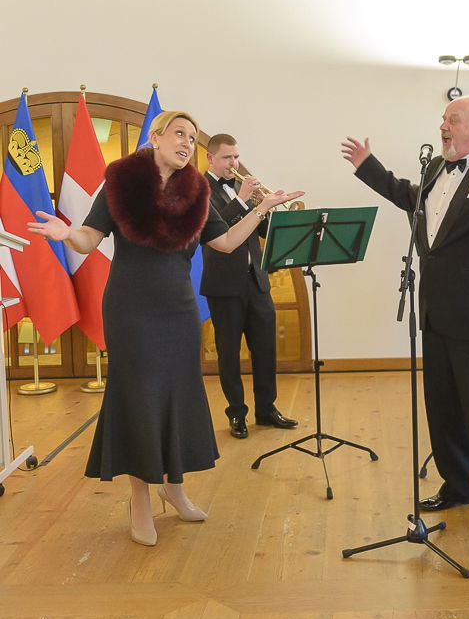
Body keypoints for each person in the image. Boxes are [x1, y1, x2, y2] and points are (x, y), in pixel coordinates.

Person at [27, 111, 302, 547]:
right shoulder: (120, 182)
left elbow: (226, 242)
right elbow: (89, 238)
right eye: (179, 133)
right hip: (131, 308)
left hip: (177, 309)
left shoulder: (198, 191)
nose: (186, 142)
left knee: (178, 394)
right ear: (155, 137)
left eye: (192, 138)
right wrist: (65, 234)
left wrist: (260, 207)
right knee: (140, 399)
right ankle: (139, 500)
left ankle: (174, 488)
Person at [341, 96, 469, 540]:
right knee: (443, 407)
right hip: (436, 308)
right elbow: (410, 198)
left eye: (452, 120)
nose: (443, 126)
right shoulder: (436, 167)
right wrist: (368, 166)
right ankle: (458, 485)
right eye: (443, 119)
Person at [200, 134, 298, 439]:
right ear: (211, 158)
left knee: (265, 349)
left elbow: (264, 231)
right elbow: (216, 228)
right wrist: (243, 200)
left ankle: (266, 409)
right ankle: (236, 414)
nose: (234, 163)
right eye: (228, 158)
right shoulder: (199, 190)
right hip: (223, 284)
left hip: (256, 280)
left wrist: (268, 208)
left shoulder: (244, 188)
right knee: (228, 354)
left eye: (236, 157)